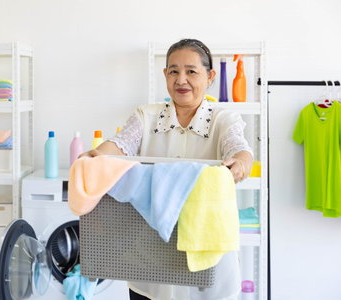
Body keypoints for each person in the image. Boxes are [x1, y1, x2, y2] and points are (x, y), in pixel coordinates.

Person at [80, 39, 253, 300]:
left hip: (208, 268)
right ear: (165, 75)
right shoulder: (146, 116)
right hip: (149, 262)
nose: (181, 79)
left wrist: (239, 164)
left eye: (191, 71)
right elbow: (122, 142)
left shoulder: (223, 118)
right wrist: (95, 156)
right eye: (173, 71)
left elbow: (238, 148)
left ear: (210, 76)